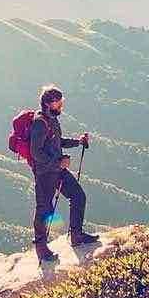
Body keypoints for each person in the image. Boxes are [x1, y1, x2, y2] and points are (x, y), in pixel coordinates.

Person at [28, 85, 97, 261]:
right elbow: (36, 153)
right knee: (44, 209)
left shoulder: (52, 120)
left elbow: (57, 143)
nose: (61, 107)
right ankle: (41, 249)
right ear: (48, 103)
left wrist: (78, 142)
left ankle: (76, 236)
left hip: (57, 170)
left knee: (78, 196)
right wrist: (58, 162)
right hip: (45, 173)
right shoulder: (39, 123)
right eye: (59, 104)